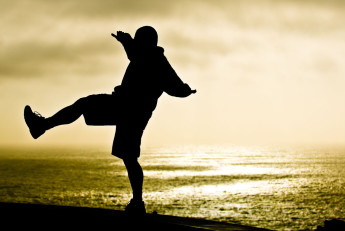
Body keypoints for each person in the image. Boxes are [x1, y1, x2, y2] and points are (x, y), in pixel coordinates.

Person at [24, 26, 196, 216]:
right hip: (126, 110)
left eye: (139, 40)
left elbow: (172, 86)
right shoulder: (147, 56)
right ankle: (42, 126)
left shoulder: (156, 61)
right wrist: (126, 42)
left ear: (146, 42)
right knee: (126, 154)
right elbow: (139, 57)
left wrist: (185, 90)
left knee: (129, 157)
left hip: (129, 111)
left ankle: (138, 202)